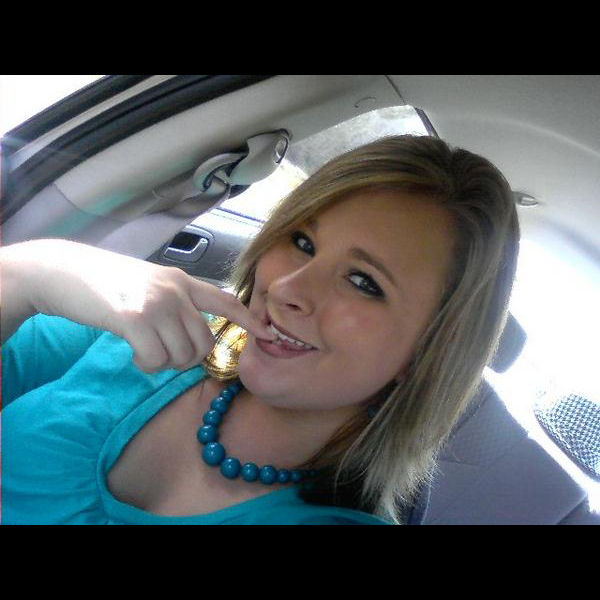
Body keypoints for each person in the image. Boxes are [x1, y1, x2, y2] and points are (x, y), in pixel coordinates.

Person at [0, 135, 520, 525]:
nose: (288, 287)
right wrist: (30, 274)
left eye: (364, 282)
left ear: (428, 351)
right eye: (302, 242)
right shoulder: (154, 335)